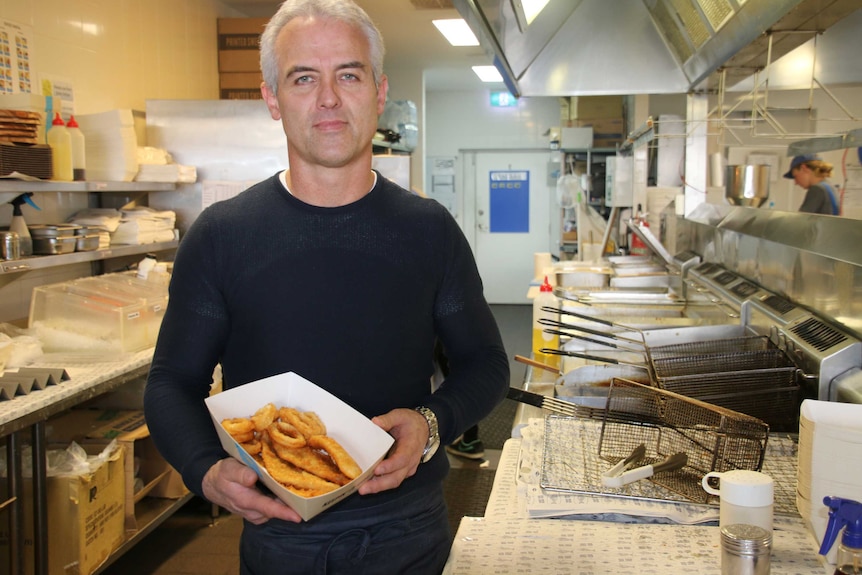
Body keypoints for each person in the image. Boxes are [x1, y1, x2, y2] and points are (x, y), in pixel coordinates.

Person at [142, 1, 510, 573]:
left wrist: (433, 424)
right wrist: (204, 470)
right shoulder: (222, 235)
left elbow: (485, 361)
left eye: (349, 74)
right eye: (304, 78)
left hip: (410, 532)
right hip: (282, 537)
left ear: (379, 90)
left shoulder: (428, 229)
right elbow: (171, 381)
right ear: (271, 98)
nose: (329, 98)